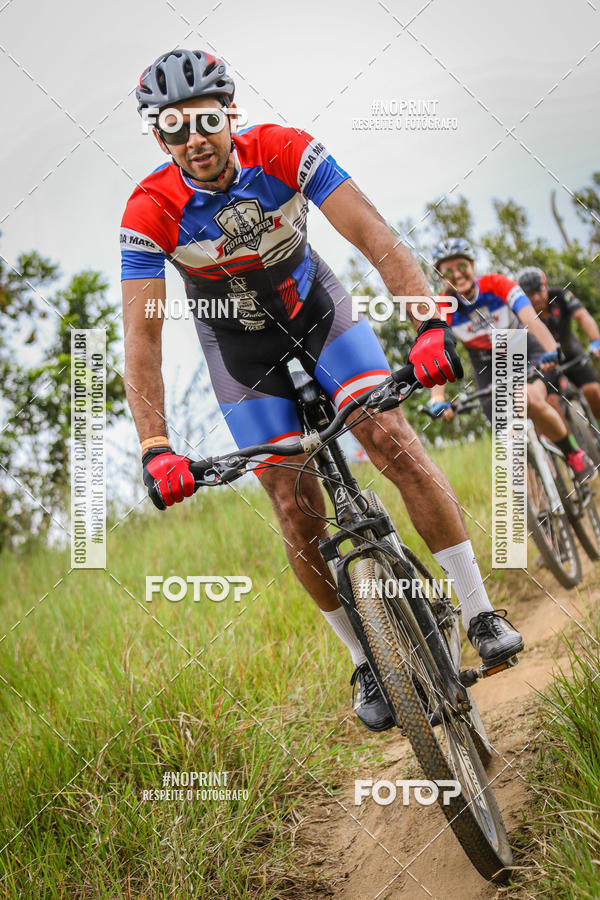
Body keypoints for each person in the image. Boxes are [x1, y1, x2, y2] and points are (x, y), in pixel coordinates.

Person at [121, 50, 524, 733]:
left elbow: (372, 233)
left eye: (207, 120)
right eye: (175, 128)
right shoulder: (149, 209)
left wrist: (428, 324)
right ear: (159, 138)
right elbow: (142, 337)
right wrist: (157, 447)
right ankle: (367, 656)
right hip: (241, 352)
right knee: (290, 503)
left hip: (320, 315)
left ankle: (480, 609)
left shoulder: (286, 151)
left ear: (231, 115)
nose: (196, 139)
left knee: (390, 436)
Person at [428, 239, 595, 483]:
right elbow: (439, 354)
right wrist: (438, 397)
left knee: (526, 399)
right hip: (487, 364)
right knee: (505, 436)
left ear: (473, 265)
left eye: (461, 266)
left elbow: (532, 321)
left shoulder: (498, 284)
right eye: (448, 271)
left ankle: (573, 454)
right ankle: (537, 503)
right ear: (441, 277)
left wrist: (551, 350)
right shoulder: (443, 307)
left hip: (524, 348)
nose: (457, 274)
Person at [517, 266, 600, 419]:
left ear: (546, 286)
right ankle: (574, 443)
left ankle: (594, 432)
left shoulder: (561, 295)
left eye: (538, 290)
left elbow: (583, 316)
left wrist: (596, 341)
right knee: (551, 402)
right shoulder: (521, 313)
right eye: (529, 294)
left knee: (593, 391)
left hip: (572, 354)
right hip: (546, 364)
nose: (535, 298)